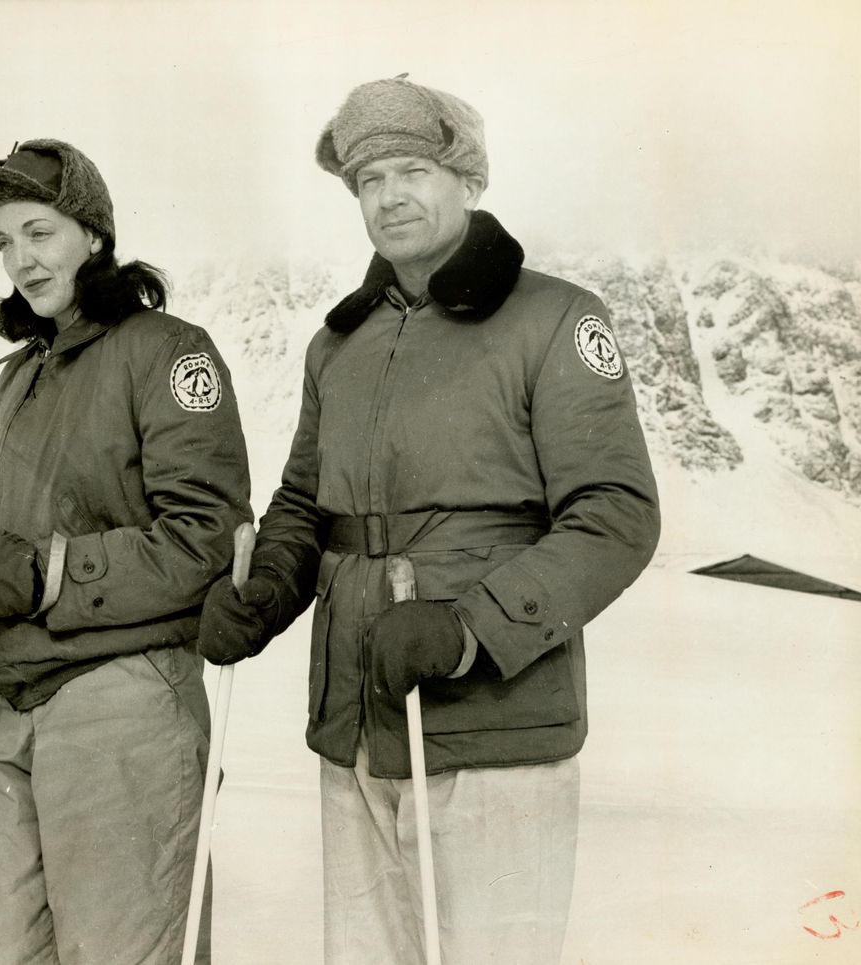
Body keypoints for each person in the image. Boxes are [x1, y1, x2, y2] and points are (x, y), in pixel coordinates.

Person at [197, 76, 661, 964]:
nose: (390, 196)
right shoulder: (339, 343)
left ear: (469, 180)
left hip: (494, 723)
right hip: (357, 723)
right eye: (370, 179)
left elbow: (616, 515)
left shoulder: (555, 319)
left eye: (413, 170)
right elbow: (304, 505)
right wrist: (263, 594)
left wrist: (468, 628)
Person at [0, 138, 251, 965]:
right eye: (4, 242)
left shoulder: (167, 350)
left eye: (39, 232)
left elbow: (206, 536)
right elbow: (31, 533)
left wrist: (39, 573)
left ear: (92, 233)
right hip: (11, 693)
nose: (20, 258)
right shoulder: (18, 376)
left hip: (122, 698)